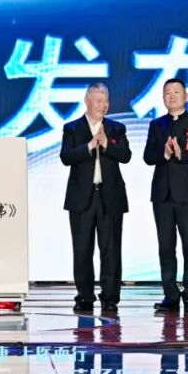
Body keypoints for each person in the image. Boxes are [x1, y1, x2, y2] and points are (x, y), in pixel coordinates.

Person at [59, 83, 131, 312]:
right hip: (82, 198)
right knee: (82, 250)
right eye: (99, 101)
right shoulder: (72, 128)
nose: (103, 105)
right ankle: (85, 296)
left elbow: (126, 155)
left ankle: (110, 297)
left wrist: (107, 144)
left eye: (106, 101)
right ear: (87, 101)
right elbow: (66, 157)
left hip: (110, 197)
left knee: (111, 251)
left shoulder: (116, 129)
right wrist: (89, 146)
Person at [143, 77, 188, 312]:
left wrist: (183, 155)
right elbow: (147, 157)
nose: (171, 96)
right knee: (165, 247)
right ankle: (170, 295)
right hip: (162, 195)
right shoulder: (157, 125)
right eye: (167, 93)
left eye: (175, 92)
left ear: (186, 96)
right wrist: (163, 154)